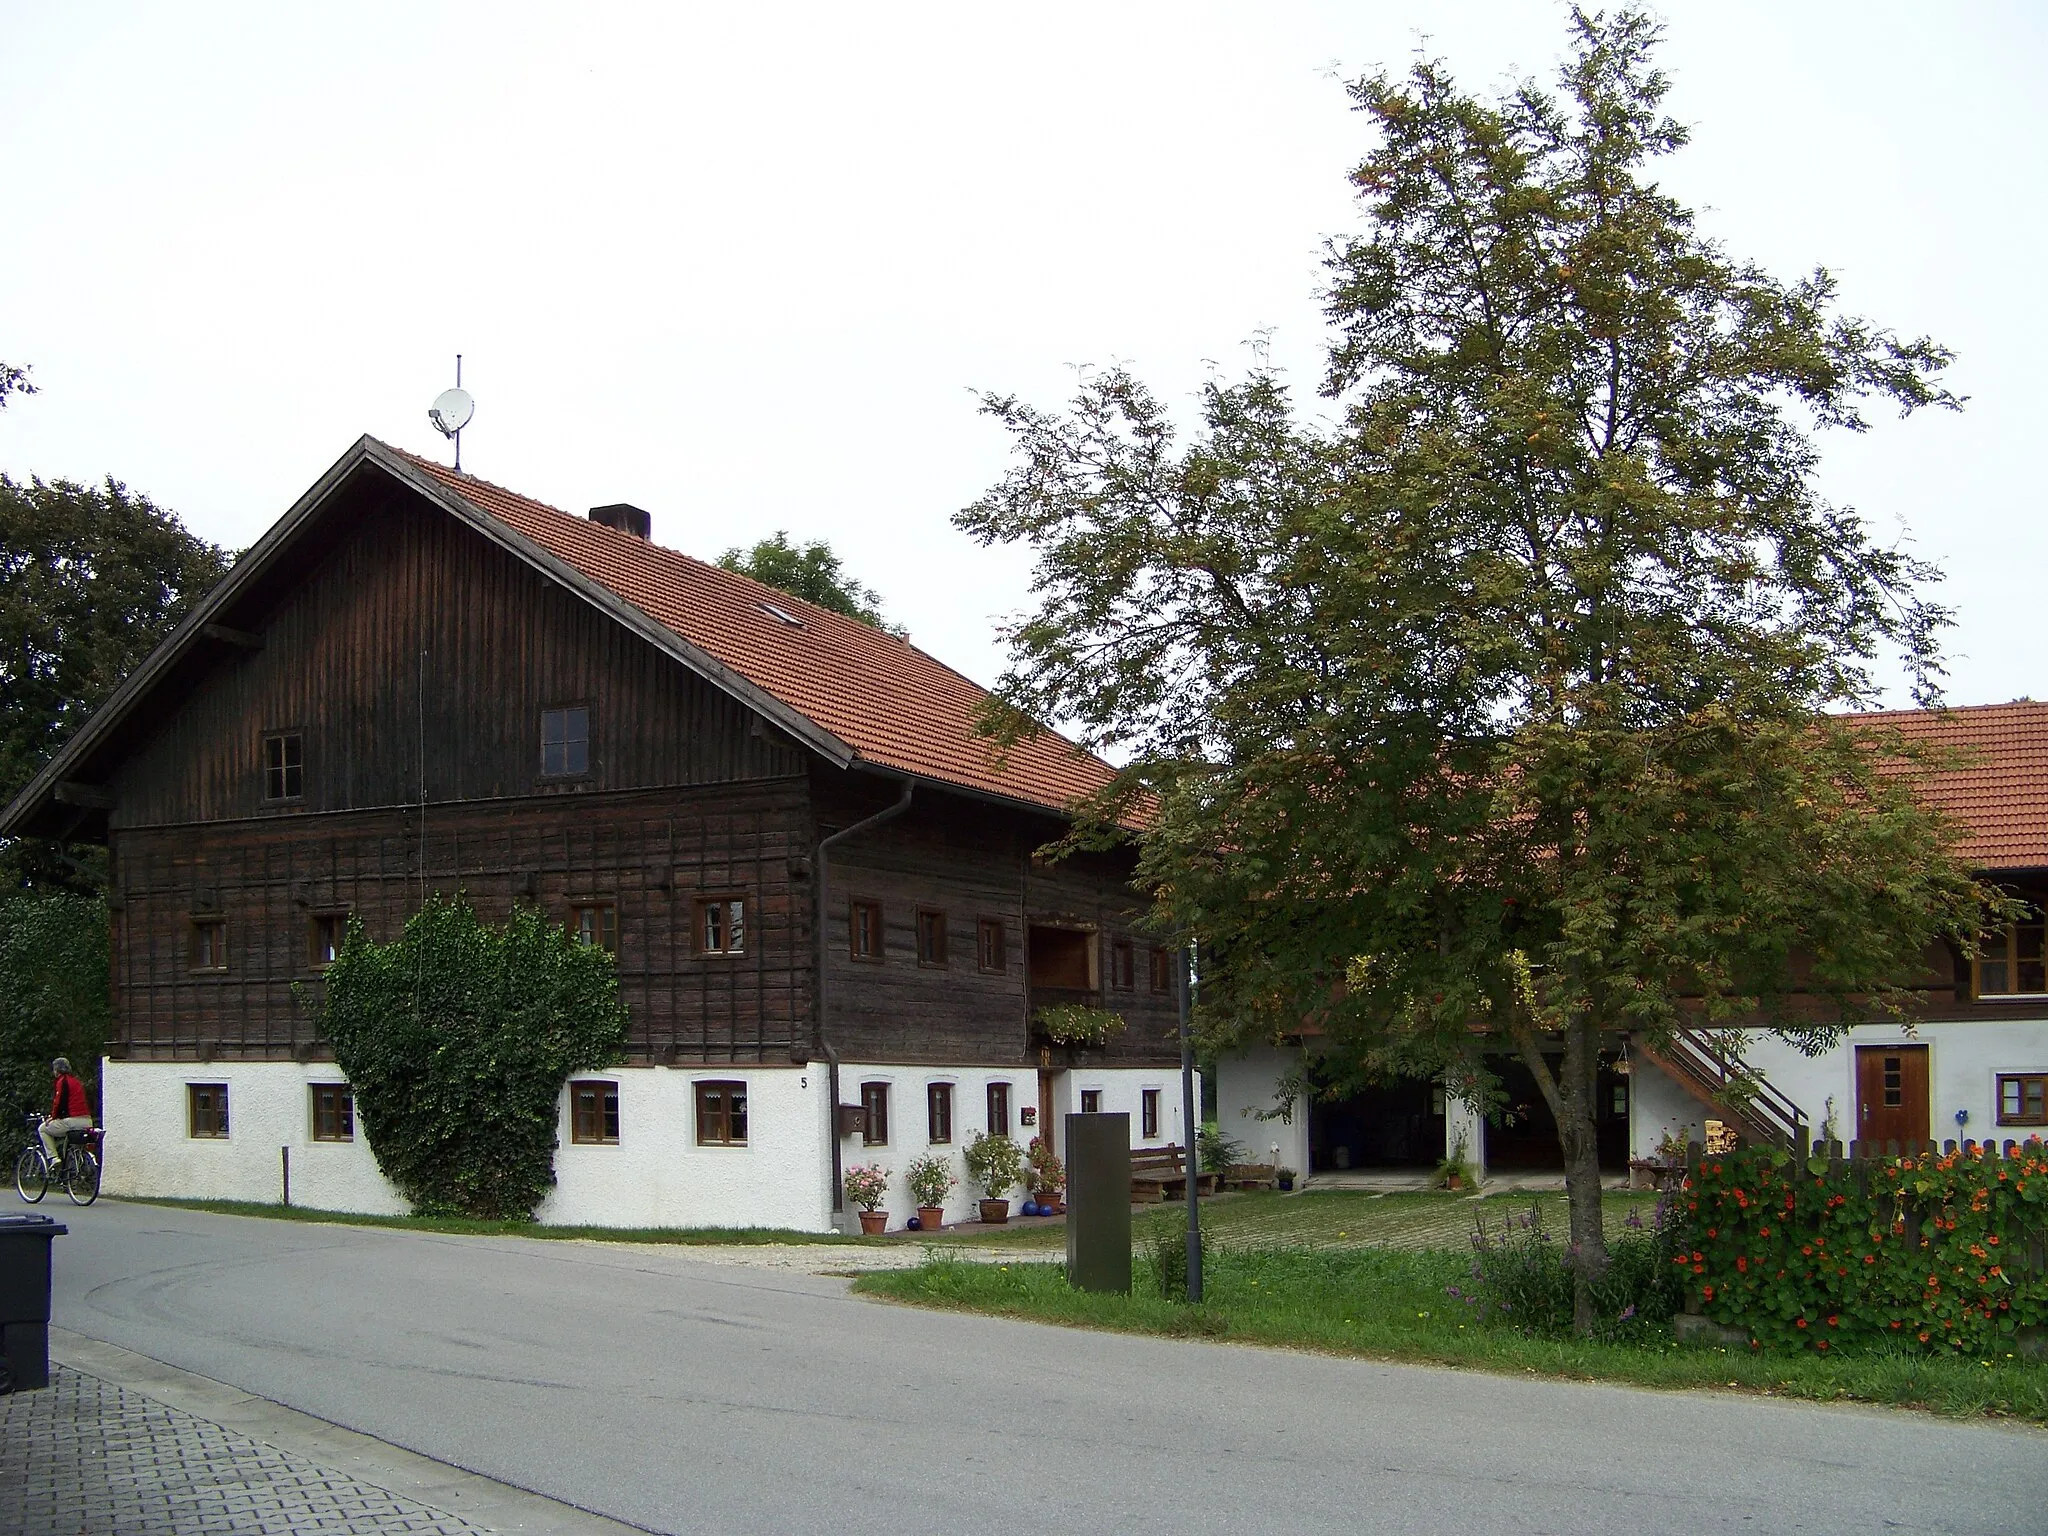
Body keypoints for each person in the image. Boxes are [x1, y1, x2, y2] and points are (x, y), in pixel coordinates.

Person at [42, 1057, 93, 1165]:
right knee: (76, 1146)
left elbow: (59, 1102)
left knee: (42, 1129)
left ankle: (54, 1158)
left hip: (73, 1121)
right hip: (87, 1121)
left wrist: (53, 1117)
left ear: (57, 1069)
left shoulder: (62, 1081)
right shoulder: (76, 1081)